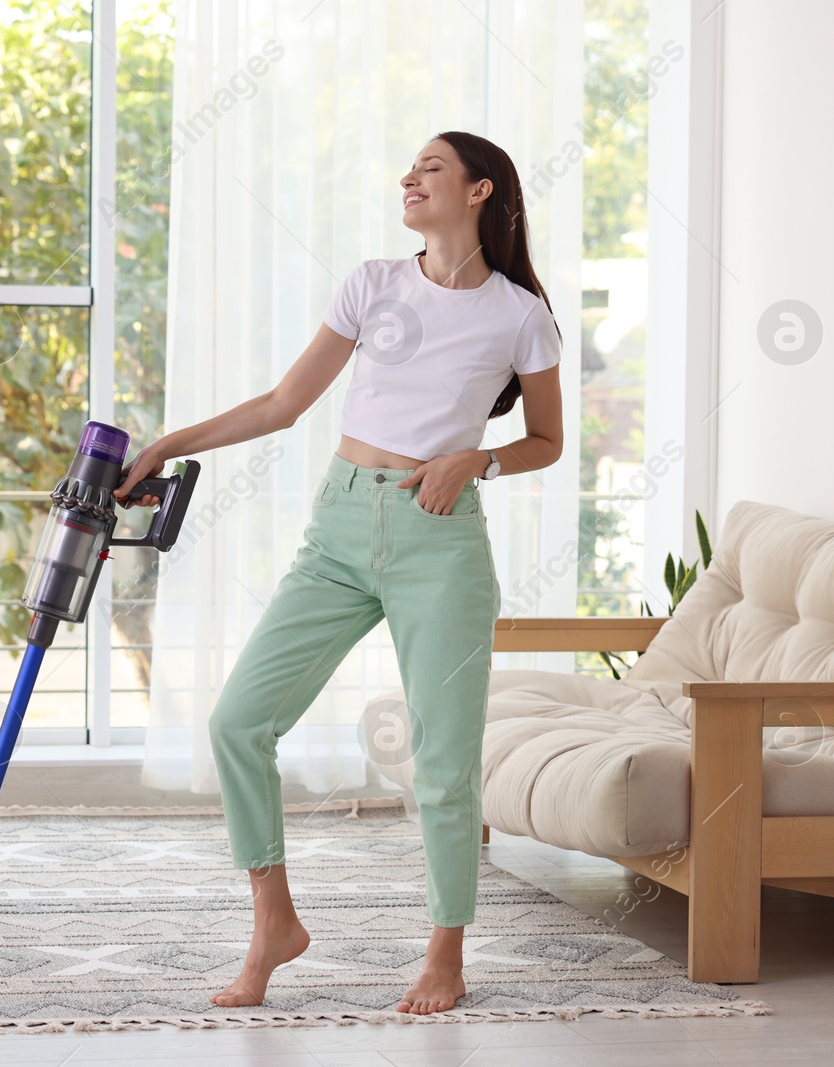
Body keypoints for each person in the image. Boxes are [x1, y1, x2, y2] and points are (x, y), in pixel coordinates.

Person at [113, 130, 564, 1015]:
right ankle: (274, 921)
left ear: (479, 193)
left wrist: (477, 460)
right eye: (412, 167)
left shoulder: (519, 313)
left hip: (442, 538)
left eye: (432, 167)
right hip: (342, 525)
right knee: (240, 720)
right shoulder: (372, 284)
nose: (411, 177)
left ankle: (445, 954)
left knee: (441, 760)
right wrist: (165, 443)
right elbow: (284, 404)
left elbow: (546, 441)